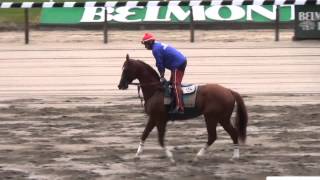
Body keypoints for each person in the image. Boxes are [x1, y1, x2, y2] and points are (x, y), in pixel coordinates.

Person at [141, 33, 187, 114]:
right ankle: (175, 101)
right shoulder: (157, 45)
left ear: (150, 42)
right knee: (171, 83)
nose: (145, 46)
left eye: (146, 44)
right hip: (178, 62)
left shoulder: (155, 50)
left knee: (175, 84)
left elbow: (160, 64)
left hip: (178, 64)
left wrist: (161, 76)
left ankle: (180, 107)